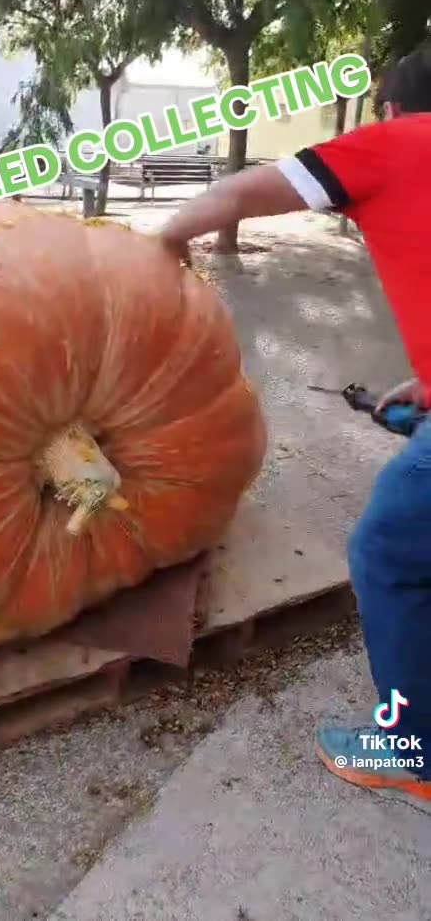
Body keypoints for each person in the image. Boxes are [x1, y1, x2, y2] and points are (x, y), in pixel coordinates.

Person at [160, 46, 431, 803]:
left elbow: (248, 188)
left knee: (388, 553)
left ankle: (414, 750)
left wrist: (168, 238)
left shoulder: (397, 141)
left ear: (389, 109)